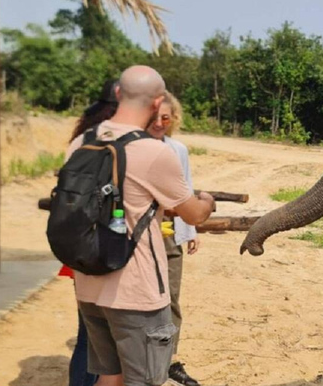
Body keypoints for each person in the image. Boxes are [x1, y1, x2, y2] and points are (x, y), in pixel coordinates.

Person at [68, 66, 215, 386]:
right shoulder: (154, 152)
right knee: (144, 379)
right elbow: (192, 214)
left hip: (89, 283)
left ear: (119, 94)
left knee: (109, 375)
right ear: (157, 102)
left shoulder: (83, 140)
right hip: (135, 292)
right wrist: (208, 200)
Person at [61, 79, 120, 386]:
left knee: (87, 331)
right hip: (107, 248)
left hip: (77, 247)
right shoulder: (120, 141)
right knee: (105, 335)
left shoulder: (80, 139)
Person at [145, 91, 202, 386]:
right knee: (143, 300)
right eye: (154, 117)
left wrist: (189, 231)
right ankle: (144, 361)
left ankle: (168, 361)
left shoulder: (178, 149)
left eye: (165, 118)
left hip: (170, 234)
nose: (159, 123)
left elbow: (186, 190)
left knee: (171, 299)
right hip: (140, 237)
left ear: (173, 119)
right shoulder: (133, 148)